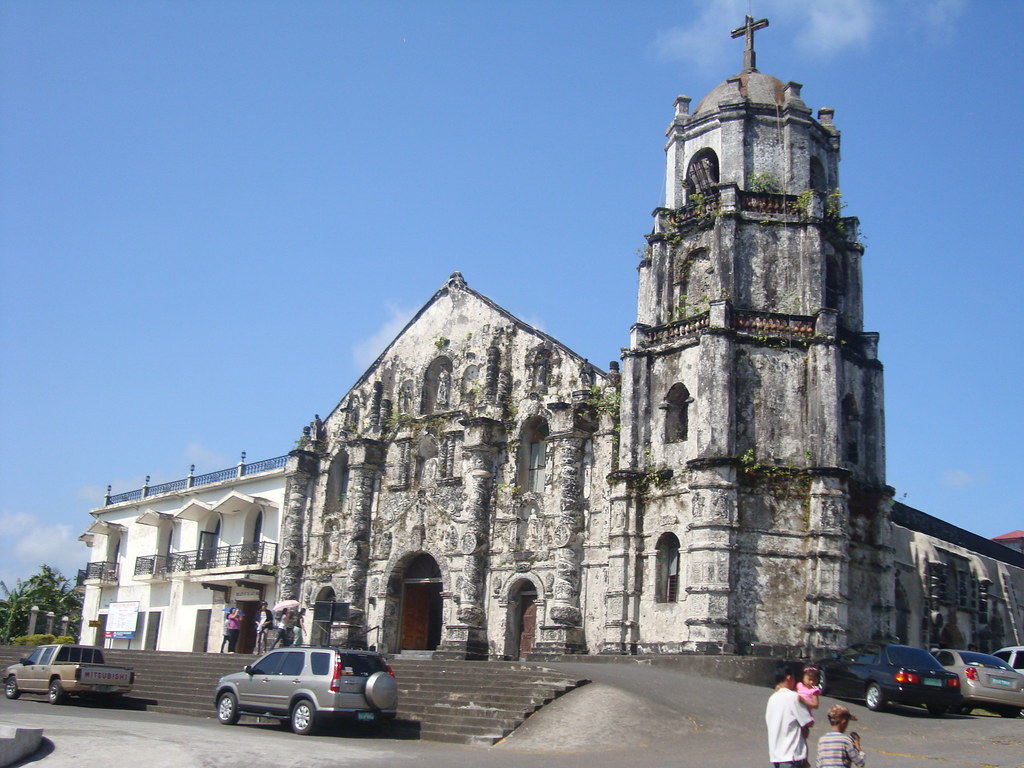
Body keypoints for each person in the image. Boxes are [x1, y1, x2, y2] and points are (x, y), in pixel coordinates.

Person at [766, 662, 814, 768]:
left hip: (776, 755)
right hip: (791, 755)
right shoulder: (793, 697)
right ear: (789, 678)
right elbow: (808, 722)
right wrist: (806, 702)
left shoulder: (772, 699)